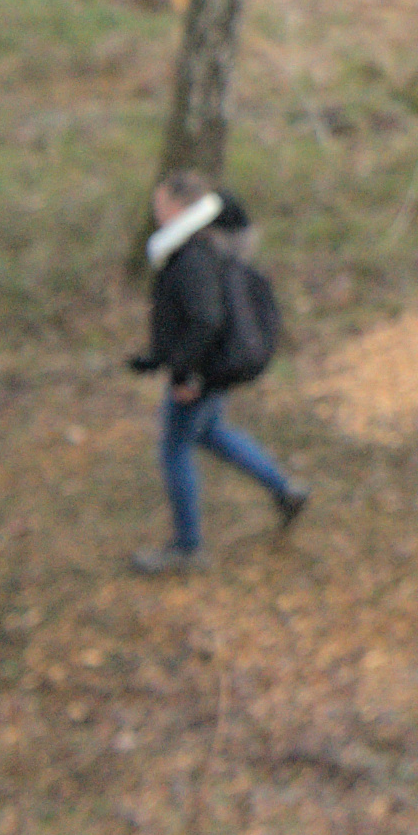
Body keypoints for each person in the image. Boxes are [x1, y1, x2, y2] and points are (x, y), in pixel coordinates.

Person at [125, 173, 305, 571]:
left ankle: (188, 548)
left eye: (161, 204)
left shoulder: (192, 255)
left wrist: (185, 374)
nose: (156, 211)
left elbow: (205, 319)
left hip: (200, 374)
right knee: (211, 433)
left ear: (179, 207)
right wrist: (158, 359)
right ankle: (284, 489)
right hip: (210, 370)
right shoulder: (204, 246)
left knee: (175, 450)